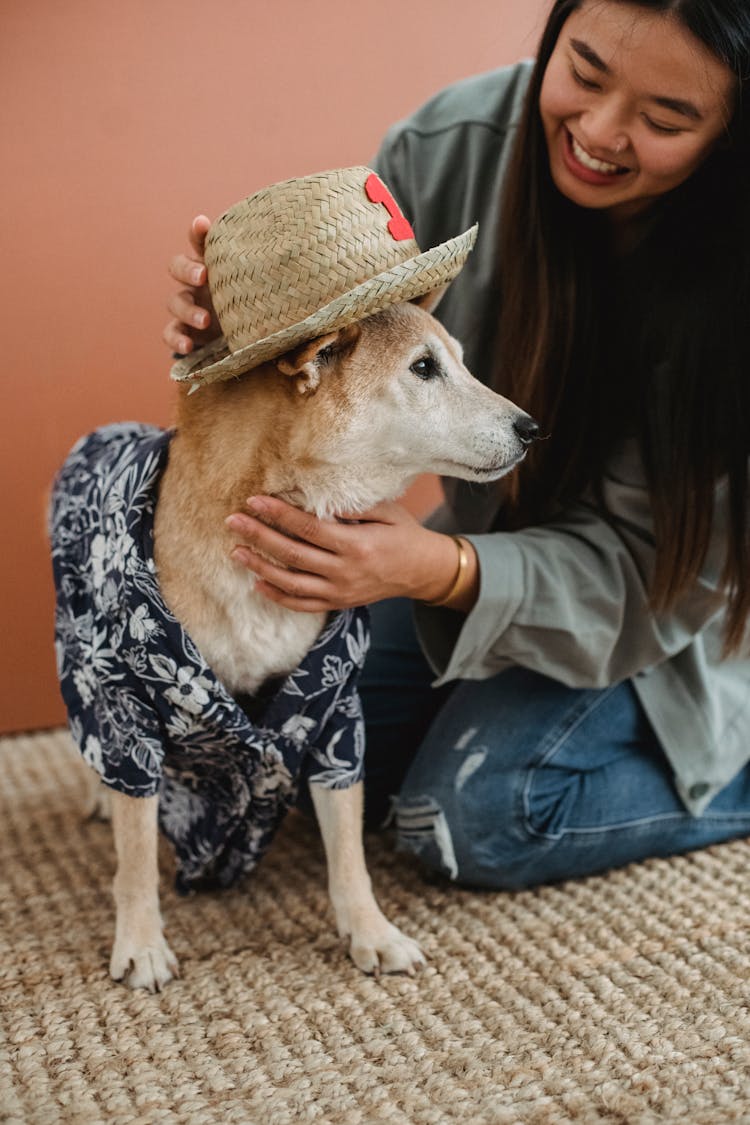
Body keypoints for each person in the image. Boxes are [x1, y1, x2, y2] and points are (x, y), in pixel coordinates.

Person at [163, 0, 750, 890]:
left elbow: (649, 582)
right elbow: (324, 363)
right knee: (287, 772)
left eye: (665, 118)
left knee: (465, 820)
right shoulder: (449, 146)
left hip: (668, 624)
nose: (598, 130)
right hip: (478, 550)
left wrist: (434, 569)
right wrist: (236, 331)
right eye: (584, 72)